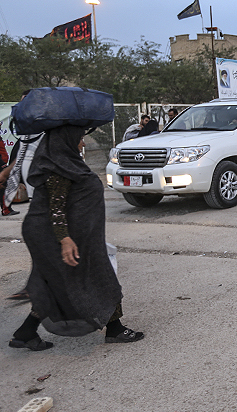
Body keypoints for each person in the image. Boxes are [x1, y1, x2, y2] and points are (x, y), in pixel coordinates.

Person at [8, 125, 144, 351]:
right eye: (79, 138)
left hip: (69, 235)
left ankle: (26, 333)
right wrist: (65, 240)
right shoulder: (58, 168)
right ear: (65, 141)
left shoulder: (65, 163)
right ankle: (115, 329)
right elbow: (56, 209)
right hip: (59, 236)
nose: (82, 143)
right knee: (100, 278)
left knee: (54, 283)